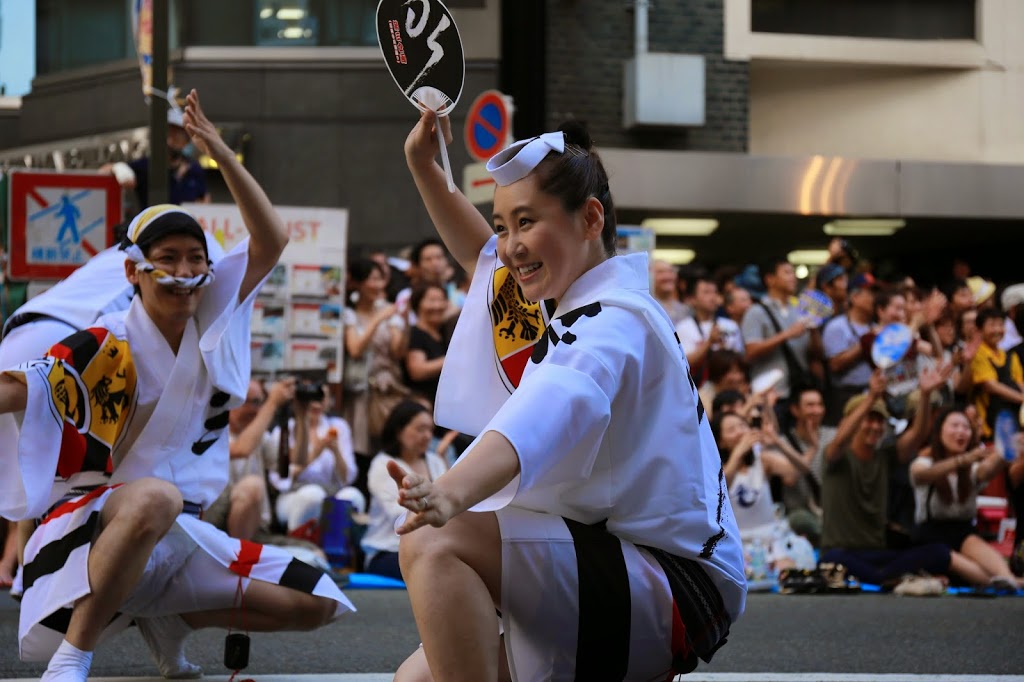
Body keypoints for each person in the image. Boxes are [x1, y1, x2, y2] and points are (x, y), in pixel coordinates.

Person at [0, 89, 353, 681]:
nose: (185, 272)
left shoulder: (216, 314)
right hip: (95, 527)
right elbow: (22, 389)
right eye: (168, 257)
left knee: (318, 601)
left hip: (181, 531)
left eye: (196, 258)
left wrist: (217, 151)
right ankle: (74, 654)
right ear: (134, 269)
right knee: (154, 498)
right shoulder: (103, 340)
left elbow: (269, 240)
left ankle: (172, 619)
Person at [391, 112, 744, 681]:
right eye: (503, 225)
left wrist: (450, 492)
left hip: (674, 588)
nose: (509, 246)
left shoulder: (612, 323)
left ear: (590, 218)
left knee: (438, 541)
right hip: (617, 564)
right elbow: (480, 257)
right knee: (419, 679)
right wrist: (425, 167)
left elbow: (549, 409)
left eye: (525, 222)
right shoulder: (564, 300)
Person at [820, 369, 953, 590]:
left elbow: (917, 436)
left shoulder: (885, 457)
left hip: (877, 553)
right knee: (832, 560)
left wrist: (926, 394)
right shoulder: (836, 456)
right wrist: (871, 397)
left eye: (879, 421)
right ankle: (896, 578)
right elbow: (841, 439)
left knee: (939, 552)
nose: (875, 426)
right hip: (840, 553)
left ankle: (890, 578)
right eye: (868, 419)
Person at [909, 408, 1022, 590]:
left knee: (976, 545)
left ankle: (1008, 578)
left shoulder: (971, 469)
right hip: (930, 536)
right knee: (953, 559)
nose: (961, 432)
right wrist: (964, 459)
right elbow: (921, 475)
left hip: (964, 533)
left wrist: (1004, 450)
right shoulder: (924, 462)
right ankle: (1012, 582)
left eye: (966, 427)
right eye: (955, 426)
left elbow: (987, 470)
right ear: (939, 432)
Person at [341, 257, 408, 494]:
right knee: (360, 447)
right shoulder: (349, 314)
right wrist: (379, 319)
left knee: (388, 443)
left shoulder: (391, 311)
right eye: (372, 278)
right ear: (358, 283)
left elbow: (398, 351)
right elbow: (356, 348)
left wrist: (403, 322)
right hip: (361, 391)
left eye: (381, 278)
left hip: (387, 388)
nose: (378, 284)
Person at [361, 400, 448, 581]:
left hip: (432, 546)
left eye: (430, 430)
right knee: (435, 570)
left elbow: (448, 500)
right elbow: (397, 514)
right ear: (399, 430)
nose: (427, 436)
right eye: (420, 429)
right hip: (387, 551)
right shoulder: (383, 464)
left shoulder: (435, 461)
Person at [203, 377, 296, 541]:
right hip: (218, 530)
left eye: (260, 402)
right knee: (252, 486)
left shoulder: (260, 437)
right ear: (231, 402)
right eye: (252, 402)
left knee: (315, 557)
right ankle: (238, 561)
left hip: (257, 530)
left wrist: (302, 414)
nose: (256, 410)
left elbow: (289, 465)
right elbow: (242, 449)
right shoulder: (209, 435)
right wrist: (272, 403)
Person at [272, 386, 361, 534]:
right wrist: (316, 452)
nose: (316, 404)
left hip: (330, 492)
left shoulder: (338, 426)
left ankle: (337, 551)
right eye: (311, 399)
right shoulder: (284, 429)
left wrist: (336, 451)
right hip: (294, 494)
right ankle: (299, 546)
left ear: (328, 401)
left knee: (353, 496)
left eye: (321, 398)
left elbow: (347, 479)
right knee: (312, 495)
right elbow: (280, 479)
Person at [104, 106, 211, 209]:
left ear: (186, 140)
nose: (172, 139)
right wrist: (118, 168)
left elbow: (204, 198)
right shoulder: (146, 166)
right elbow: (103, 172)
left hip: (185, 224)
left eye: (179, 135)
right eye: (169, 132)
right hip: (153, 224)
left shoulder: (194, 169)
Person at [741, 256, 812, 404]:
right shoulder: (755, 311)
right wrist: (787, 334)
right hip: (772, 394)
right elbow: (750, 352)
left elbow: (813, 353)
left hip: (800, 392)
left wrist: (815, 331)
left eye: (793, 273)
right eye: (787, 273)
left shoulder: (800, 310)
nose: (793, 278)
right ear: (770, 279)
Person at [676, 272, 744, 387]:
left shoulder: (730, 325)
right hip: (697, 388)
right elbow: (684, 363)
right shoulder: (684, 327)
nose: (713, 297)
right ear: (692, 299)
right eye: (706, 292)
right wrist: (709, 343)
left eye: (715, 292)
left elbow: (740, 358)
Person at [970, 307, 1024, 440]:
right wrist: (1022, 399)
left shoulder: (1010, 356)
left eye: (1000, 325)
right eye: (992, 325)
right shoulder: (977, 354)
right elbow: (991, 386)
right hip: (991, 426)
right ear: (979, 329)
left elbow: (1020, 383)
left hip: (1014, 420)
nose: (997, 330)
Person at [652, 259, 690, 326]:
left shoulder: (685, 309)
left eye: (670, 271)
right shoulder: (648, 308)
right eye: (660, 272)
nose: (667, 276)